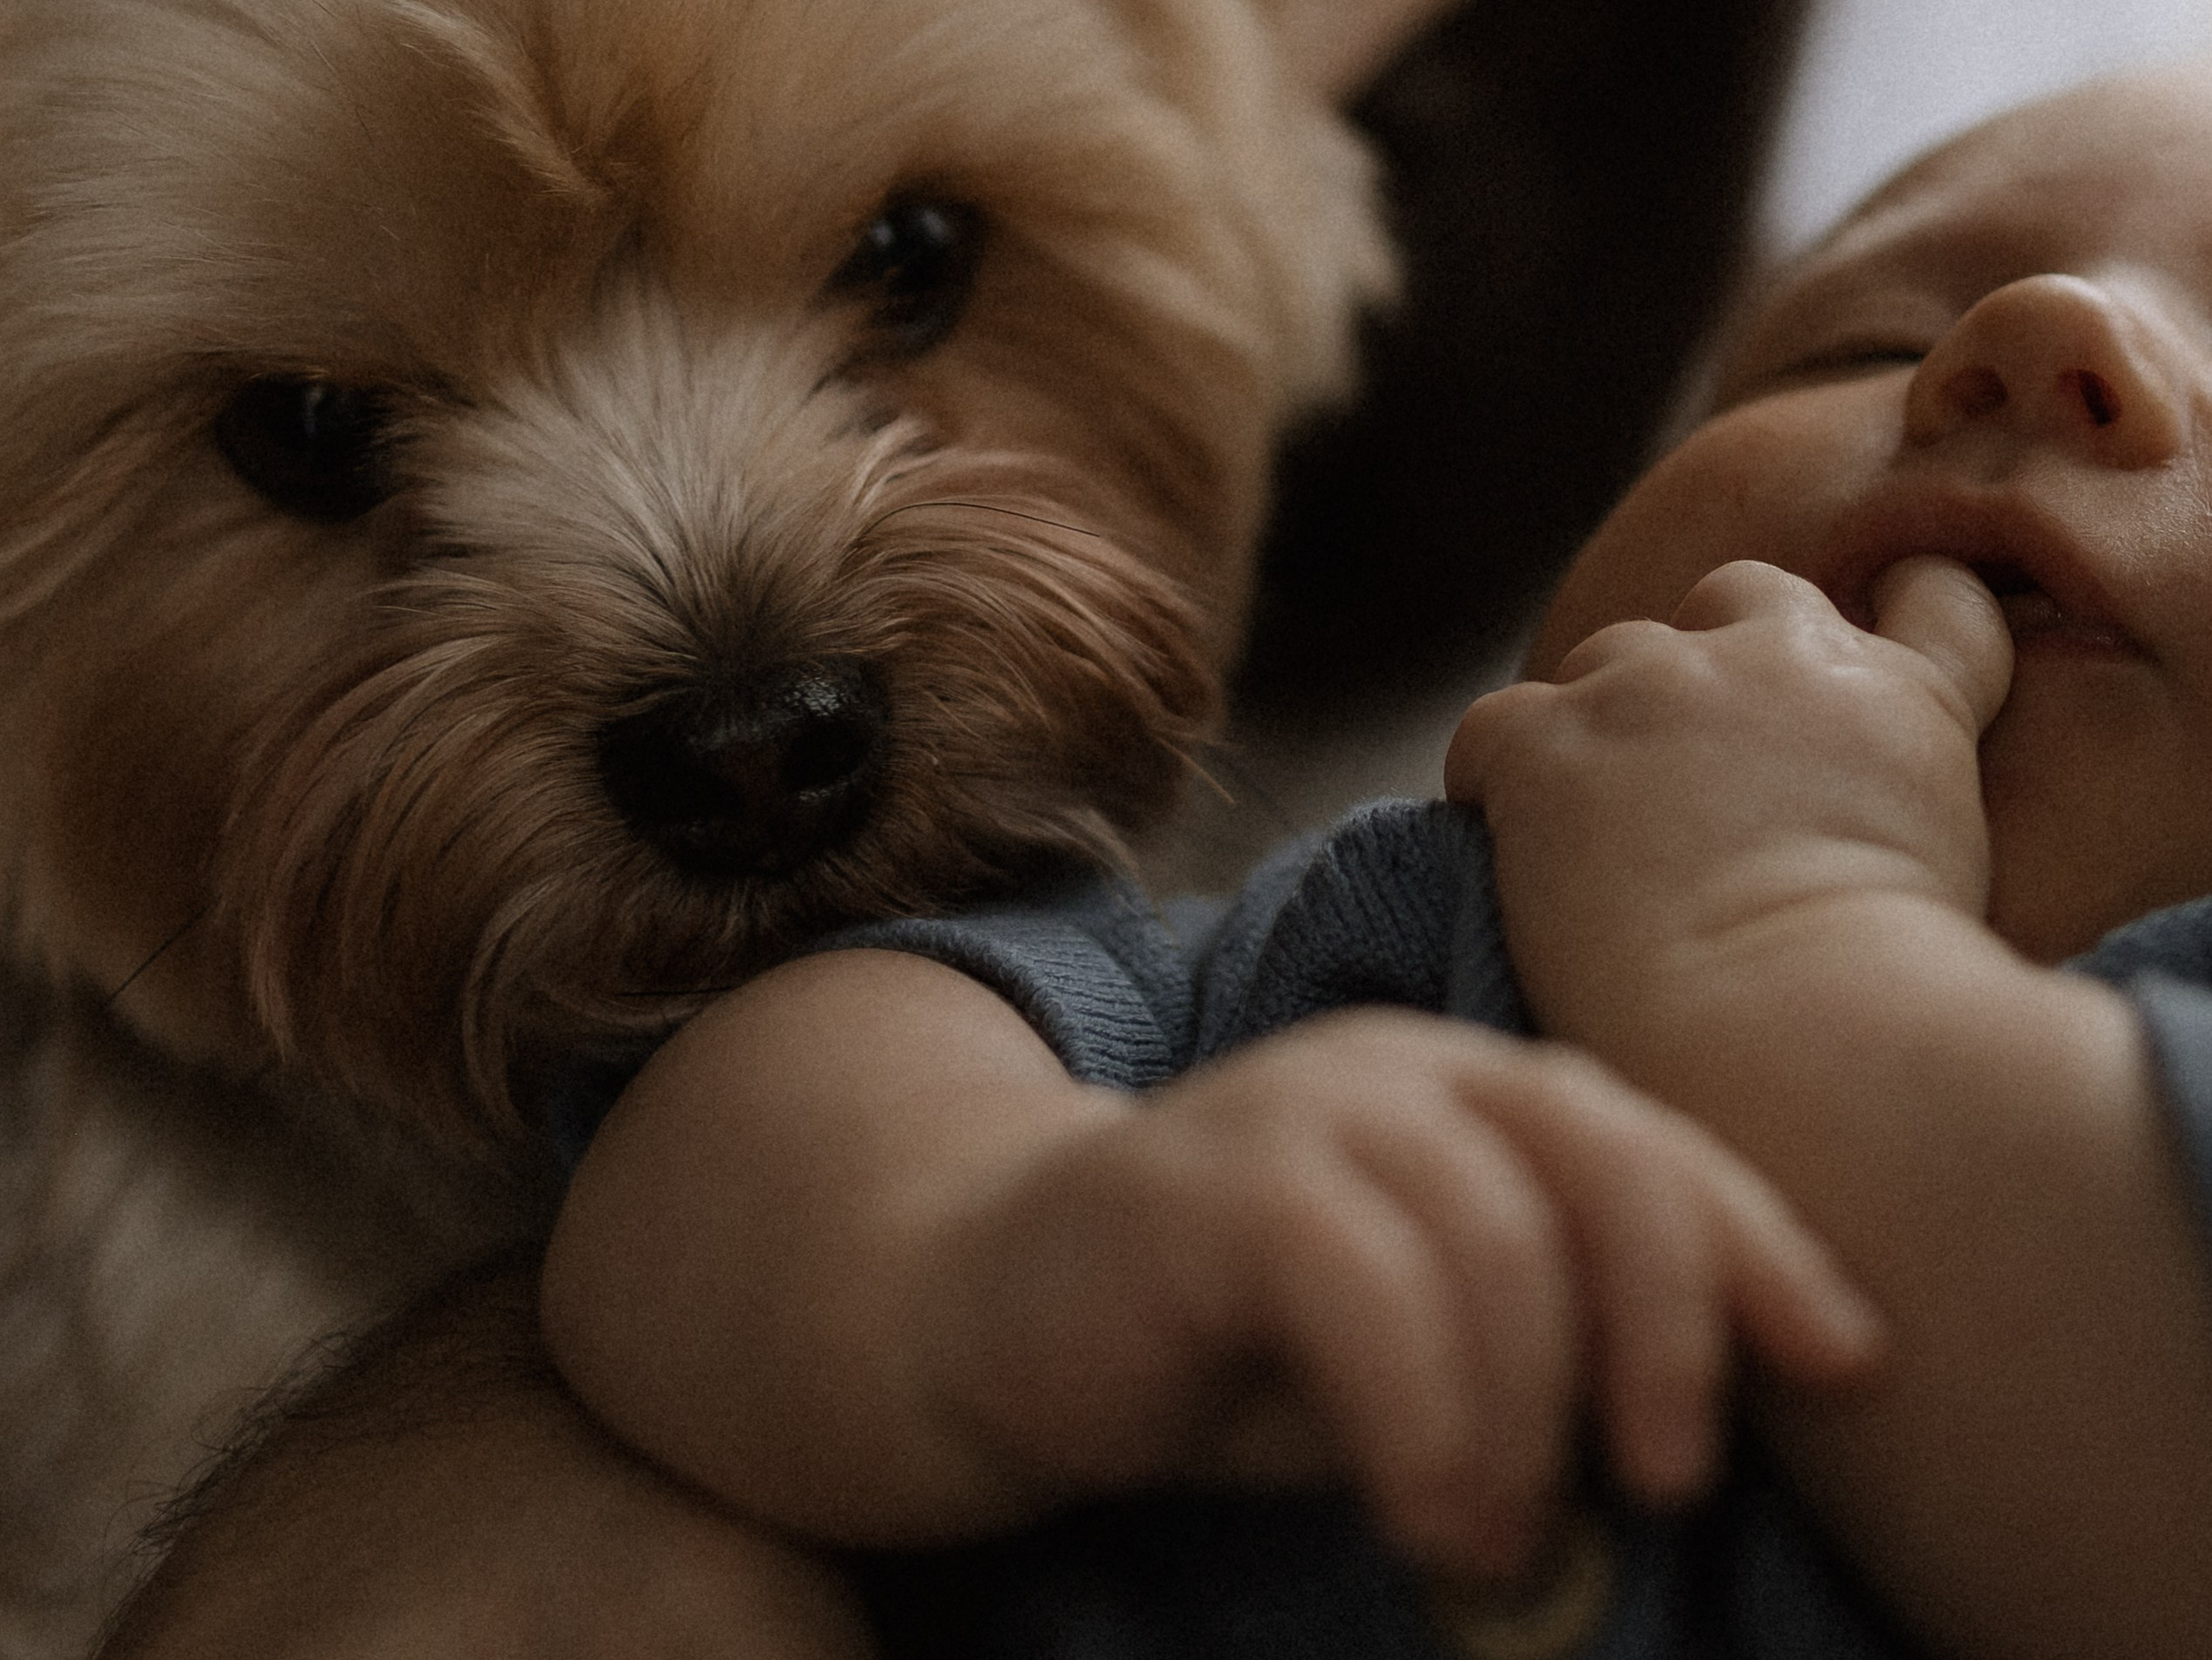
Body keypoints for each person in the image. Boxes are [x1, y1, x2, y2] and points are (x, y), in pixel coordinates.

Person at [536, 58, 2212, 1660]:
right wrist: (985, 1251)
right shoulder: (1363, 933)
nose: (2030, 336)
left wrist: (1762, 929)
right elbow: (720, 1151)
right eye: (1852, 341)